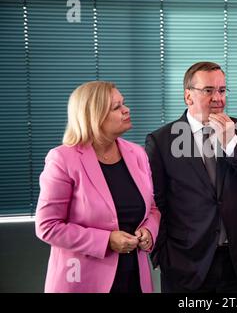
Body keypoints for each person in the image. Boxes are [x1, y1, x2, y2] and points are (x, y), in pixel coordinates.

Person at [145, 61, 237, 292]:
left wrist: (231, 144)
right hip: (186, 263)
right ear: (188, 96)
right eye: (208, 90)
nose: (218, 98)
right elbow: (156, 202)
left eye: (222, 90)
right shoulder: (161, 141)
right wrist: (162, 256)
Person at [35, 81, 160, 293]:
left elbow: (152, 208)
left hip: (135, 278)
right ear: (94, 116)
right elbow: (48, 226)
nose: (126, 109)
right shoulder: (62, 159)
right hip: (81, 280)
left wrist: (149, 230)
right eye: (116, 107)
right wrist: (107, 241)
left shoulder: (137, 153)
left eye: (124, 103)